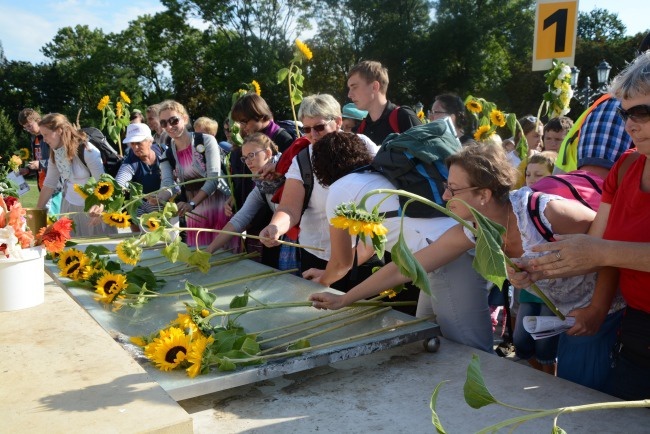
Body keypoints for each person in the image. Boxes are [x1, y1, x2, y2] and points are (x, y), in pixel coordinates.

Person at [310, 141, 625, 390]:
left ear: (484, 194)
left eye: (453, 189)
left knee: (583, 391)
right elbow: (408, 266)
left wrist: (597, 309)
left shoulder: (546, 211)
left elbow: (608, 248)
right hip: (568, 317)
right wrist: (345, 298)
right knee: (570, 387)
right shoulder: (474, 227)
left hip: (602, 313)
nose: (444, 196)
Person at [523, 51, 650, 400]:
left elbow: (602, 249)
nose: (630, 125)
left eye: (642, 112)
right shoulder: (625, 167)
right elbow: (598, 250)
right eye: (625, 113)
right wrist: (538, 269)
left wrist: (601, 250)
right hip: (637, 331)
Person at [306, 132, 493, 349]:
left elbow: (341, 262)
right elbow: (368, 247)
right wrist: (332, 281)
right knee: (426, 340)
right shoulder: (381, 176)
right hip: (437, 256)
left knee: (470, 350)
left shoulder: (341, 189)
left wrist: (325, 282)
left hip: (447, 259)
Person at [259, 94, 379, 291]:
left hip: (362, 254)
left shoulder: (363, 146)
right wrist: (275, 227)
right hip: (317, 254)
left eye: (319, 127)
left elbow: (378, 212)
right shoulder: (302, 159)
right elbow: (289, 208)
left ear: (338, 122)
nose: (313, 135)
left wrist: (339, 269)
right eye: (306, 129)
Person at [206, 133, 287, 266]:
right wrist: (209, 250)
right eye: (245, 158)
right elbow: (240, 219)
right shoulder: (261, 186)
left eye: (251, 155)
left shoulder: (291, 175)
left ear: (267, 153)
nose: (248, 162)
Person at [156, 100, 230, 247]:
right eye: (164, 123)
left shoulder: (207, 140)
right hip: (195, 214)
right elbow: (167, 183)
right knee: (200, 255)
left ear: (185, 118)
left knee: (225, 256)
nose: (169, 127)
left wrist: (192, 203)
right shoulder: (167, 154)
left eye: (173, 120)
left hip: (219, 206)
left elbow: (213, 179)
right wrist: (158, 197)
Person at [35, 113, 112, 237]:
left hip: (93, 210)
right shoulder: (55, 153)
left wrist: (101, 207)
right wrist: (36, 212)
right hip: (69, 207)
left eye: (46, 134)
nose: (44, 139)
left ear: (59, 130)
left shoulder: (87, 151)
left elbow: (104, 184)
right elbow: (49, 184)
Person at [347, 60, 421, 144]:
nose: (349, 94)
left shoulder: (403, 118)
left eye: (354, 87)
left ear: (374, 87)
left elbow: (428, 155)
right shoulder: (360, 129)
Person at [115, 123, 164, 223]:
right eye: (132, 144)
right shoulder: (130, 162)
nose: (135, 147)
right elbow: (118, 184)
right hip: (145, 208)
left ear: (150, 141)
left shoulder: (163, 151)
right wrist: (101, 204)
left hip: (168, 202)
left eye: (139, 143)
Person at [17, 108, 62, 215]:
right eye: (25, 128)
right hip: (43, 187)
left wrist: (40, 164)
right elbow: (38, 163)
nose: (28, 129)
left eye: (29, 125)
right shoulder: (34, 139)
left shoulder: (49, 137)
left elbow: (59, 160)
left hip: (54, 187)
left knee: (49, 223)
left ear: (38, 120)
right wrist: (28, 170)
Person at [230, 93, 294, 152]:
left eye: (244, 121)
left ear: (258, 114)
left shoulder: (284, 140)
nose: (242, 127)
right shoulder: (250, 140)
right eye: (240, 122)